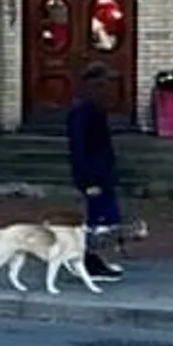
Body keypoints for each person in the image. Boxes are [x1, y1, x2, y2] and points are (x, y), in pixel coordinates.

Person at [66, 62, 125, 273]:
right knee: (101, 222)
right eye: (106, 83)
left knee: (106, 220)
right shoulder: (83, 111)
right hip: (94, 177)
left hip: (102, 175)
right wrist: (88, 180)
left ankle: (95, 259)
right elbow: (80, 148)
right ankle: (89, 261)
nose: (110, 88)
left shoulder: (95, 109)